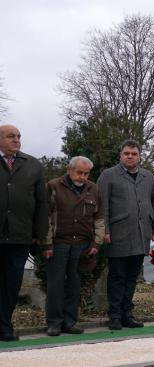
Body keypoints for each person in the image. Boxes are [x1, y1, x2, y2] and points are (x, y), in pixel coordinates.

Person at [97, 140, 154, 331]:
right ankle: (115, 315)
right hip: (117, 234)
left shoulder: (148, 176)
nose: (130, 156)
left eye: (134, 154)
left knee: (132, 277)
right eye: (126, 153)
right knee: (117, 276)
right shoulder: (108, 175)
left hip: (141, 234)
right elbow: (102, 206)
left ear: (139, 156)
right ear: (121, 155)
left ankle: (127, 314)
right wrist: (105, 231)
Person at [43, 156, 104, 336]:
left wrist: (96, 243)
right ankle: (54, 323)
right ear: (69, 169)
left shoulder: (93, 189)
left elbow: (99, 218)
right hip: (58, 244)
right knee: (55, 285)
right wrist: (46, 243)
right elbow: (44, 217)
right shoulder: (53, 186)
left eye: (86, 174)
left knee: (74, 286)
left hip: (82, 245)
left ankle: (70, 322)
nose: (82, 177)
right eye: (79, 172)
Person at [0, 124, 48, 342]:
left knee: (11, 284)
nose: (16, 140)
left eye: (19, 136)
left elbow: (41, 203)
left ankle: (4, 326)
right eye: (11, 136)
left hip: (20, 236)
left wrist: (39, 233)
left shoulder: (33, 165)